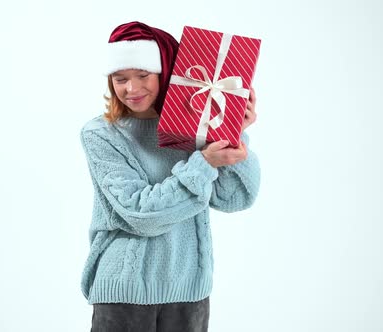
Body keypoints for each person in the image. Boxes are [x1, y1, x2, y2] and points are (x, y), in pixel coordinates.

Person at [80, 21, 261, 332]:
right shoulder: (101, 134)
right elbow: (139, 213)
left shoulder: (196, 130)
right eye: (120, 79)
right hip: (124, 295)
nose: (132, 89)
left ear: (164, 74)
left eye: (142, 76)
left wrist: (234, 132)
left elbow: (235, 197)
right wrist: (203, 164)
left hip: (190, 292)